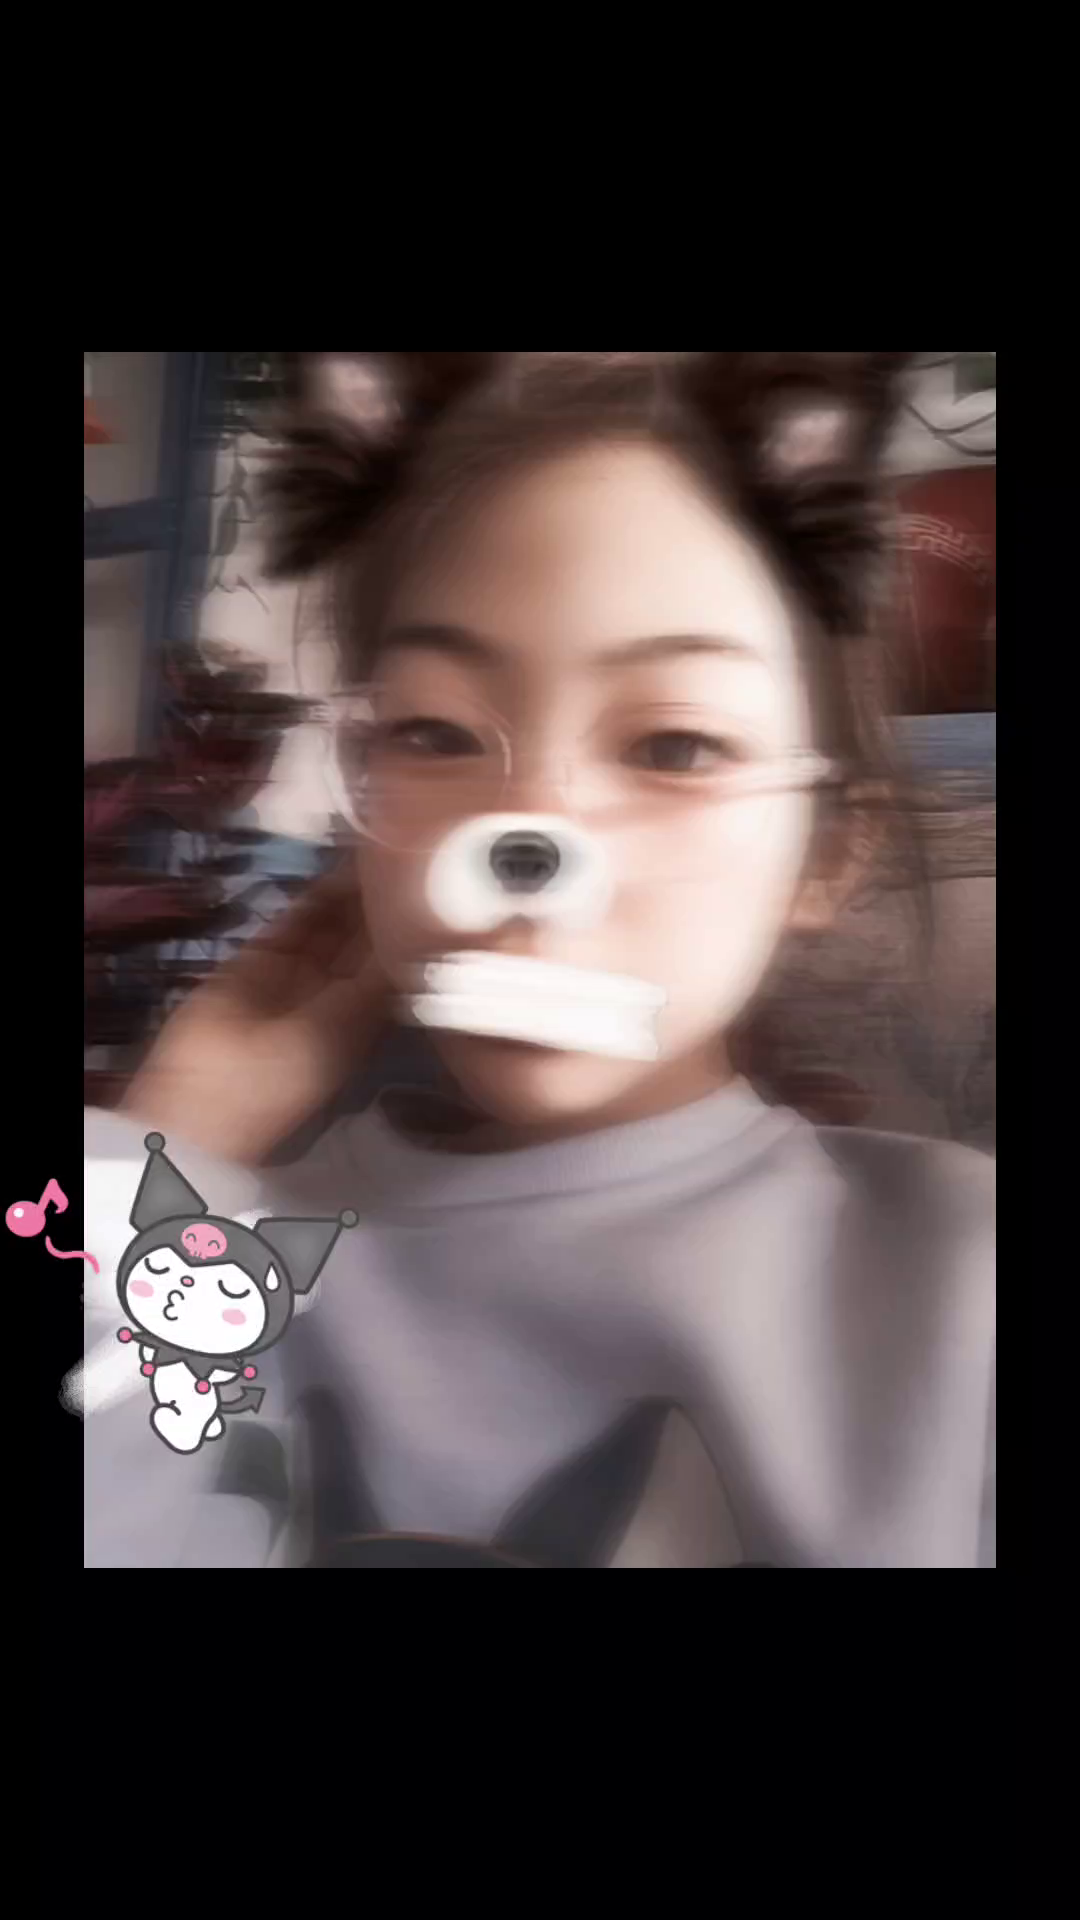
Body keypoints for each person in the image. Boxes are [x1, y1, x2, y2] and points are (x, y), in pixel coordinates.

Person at [82, 352, 995, 1568]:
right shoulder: (215, 1264)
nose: (529, 835)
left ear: (825, 853)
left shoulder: (960, 1281)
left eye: (674, 745)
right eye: (436, 732)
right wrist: (168, 1142)